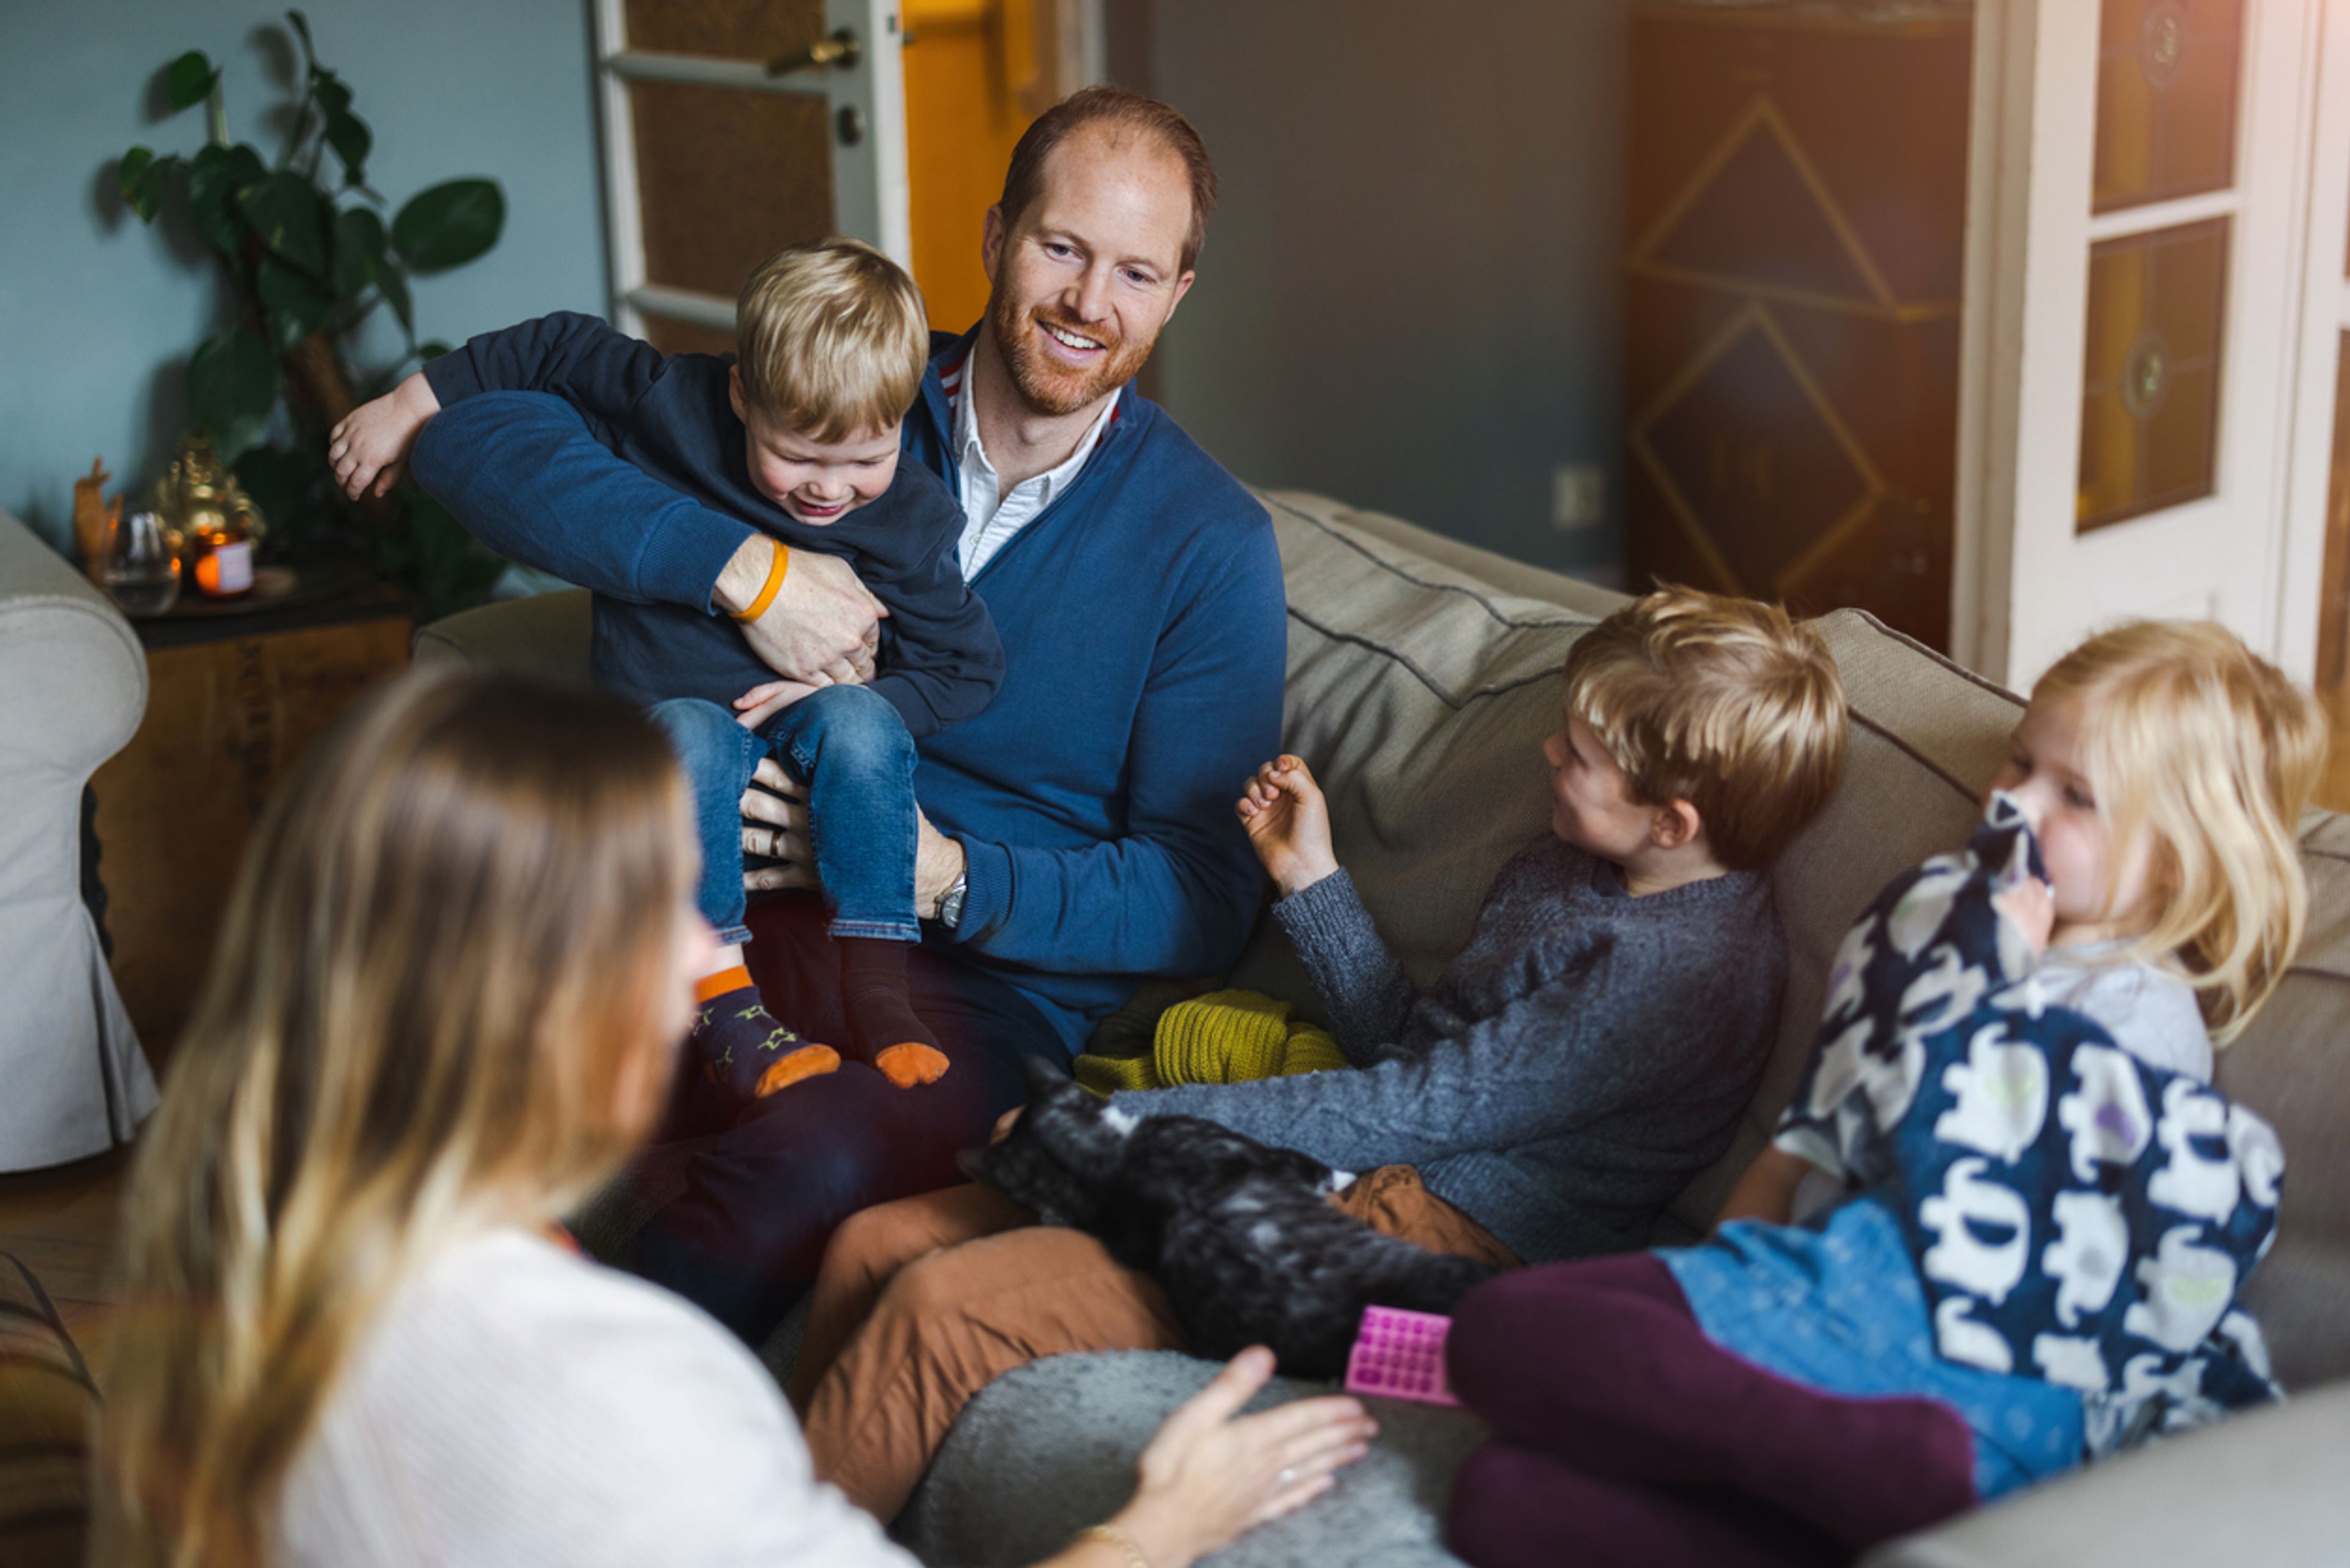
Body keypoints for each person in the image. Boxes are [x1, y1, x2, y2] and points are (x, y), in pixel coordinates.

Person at [92, 668, 1376, 1568]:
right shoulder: (616, 1384)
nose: (704, 962)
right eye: (672, 910)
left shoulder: (243, 1241)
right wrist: (1163, 1526)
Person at [403, 86, 1287, 1342]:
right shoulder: (837, 387)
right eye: (1062, 248)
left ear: (1179, 294)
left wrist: (944, 875)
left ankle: (557, 1437)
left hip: (973, 991)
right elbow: (475, 442)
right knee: (451, 1046)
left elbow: (1207, 893)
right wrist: (745, 569)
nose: (1092, 301)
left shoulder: (1209, 545)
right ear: (993, 237)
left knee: (807, 1165)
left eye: (1137, 271)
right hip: (716, 918)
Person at [786, 586, 1852, 1523]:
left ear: (1673, 822)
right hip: (1358, 1167)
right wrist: (1314, 880)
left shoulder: (1681, 977)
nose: (1548, 756)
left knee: (948, 1309)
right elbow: (1418, 1061)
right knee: (876, 1242)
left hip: (1435, 1252)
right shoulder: (1567, 864)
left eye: (1580, 757)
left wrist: (1128, 1121)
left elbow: (1416, 1112)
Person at [1439, 620, 2324, 1568]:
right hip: (1823, 1304)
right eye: (2020, 758)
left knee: (1501, 1334)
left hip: (1976, 1365)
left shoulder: (2138, 1015)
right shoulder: (1932, 929)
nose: (2011, 799)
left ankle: (1908, 1453)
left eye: (2074, 796)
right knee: (1500, 1498)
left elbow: (2006, 1226)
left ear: (2178, 862)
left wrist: (1990, 979)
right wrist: (1725, 1292)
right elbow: (1796, 1157)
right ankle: (1852, 1486)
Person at [329, 238, 997, 1104]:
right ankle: (721, 1005)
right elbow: (555, 347)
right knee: (688, 733)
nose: (828, 491)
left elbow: (967, 666)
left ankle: (879, 993)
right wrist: (409, 401)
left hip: (806, 745)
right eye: (796, 455)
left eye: (863, 461)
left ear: (903, 420)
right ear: (740, 395)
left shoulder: (907, 515)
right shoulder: (672, 405)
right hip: (671, 732)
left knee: (864, 725)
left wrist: (859, 690)